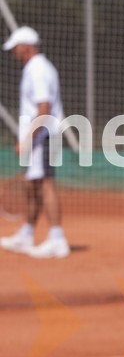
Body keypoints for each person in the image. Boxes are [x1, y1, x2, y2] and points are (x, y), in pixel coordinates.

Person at [0, 26, 70, 259]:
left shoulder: (38, 69)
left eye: (15, 48)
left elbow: (44, 108)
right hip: (39, 136)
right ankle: (27, 234)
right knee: (32, 186)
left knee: (45, 185)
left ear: (26, 47)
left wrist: (27, 138)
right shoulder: (35, 68)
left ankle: (57, 240)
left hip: (44, 135)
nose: (13, 53)